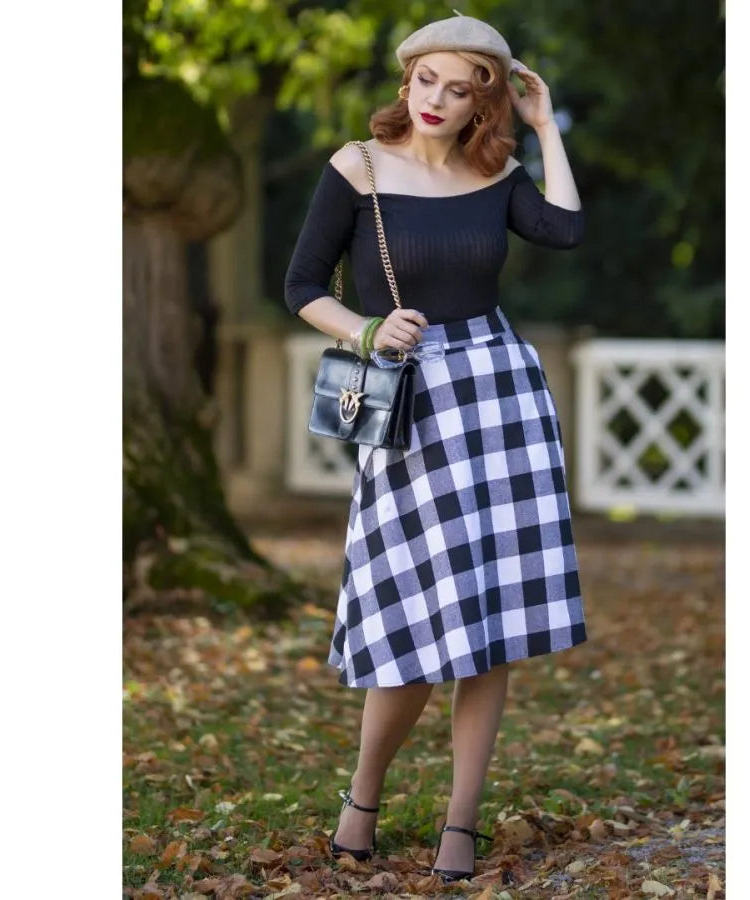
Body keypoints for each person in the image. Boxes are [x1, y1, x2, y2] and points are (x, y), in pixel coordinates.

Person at [283, 12, 588, 883]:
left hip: (499, 399)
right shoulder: (359, 167)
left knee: (488, 624)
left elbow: (565, 230)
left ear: (483, 101)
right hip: (410, 406)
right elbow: (300, 285)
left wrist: (543, 127)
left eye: (460, 90)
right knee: (408, 612)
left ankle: (463, 822)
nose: (437, 101)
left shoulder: (496, 173)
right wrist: (366, 328)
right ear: (406, 77)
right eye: (427, 81)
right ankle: (362, 798)